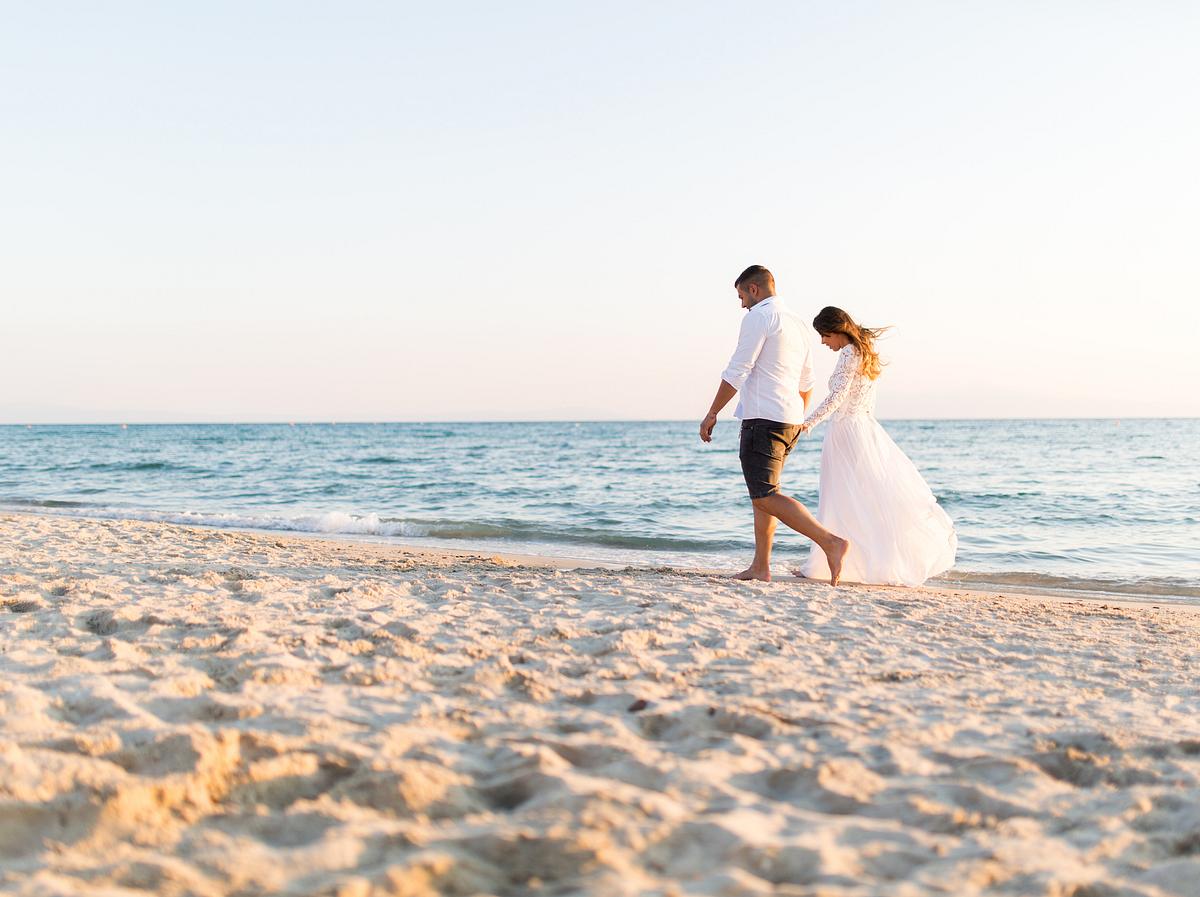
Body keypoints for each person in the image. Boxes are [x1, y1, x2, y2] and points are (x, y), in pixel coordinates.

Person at [700, 266, 850, 584]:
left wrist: (712, 412)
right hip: (789, 420)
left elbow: (738, 369)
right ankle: (760, 566)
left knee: (764, 495)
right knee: (764, 494)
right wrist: (794, 415)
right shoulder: (797, 323)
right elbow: (807, 380)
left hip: (762, 419)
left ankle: (831, 542)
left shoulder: (758, 317)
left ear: (754, 290)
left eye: (742, 296)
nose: (741, 304)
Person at [797, 306, 957, 585]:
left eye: (824, 336)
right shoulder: (864, 351)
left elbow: (837, 397)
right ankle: (852, 563)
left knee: (840, 498)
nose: (824, 342)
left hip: (846, 432)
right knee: (861, 499)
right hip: (864, 430)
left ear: (836, 331)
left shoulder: (848, 353)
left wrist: (807, 423)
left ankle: (833, 562)